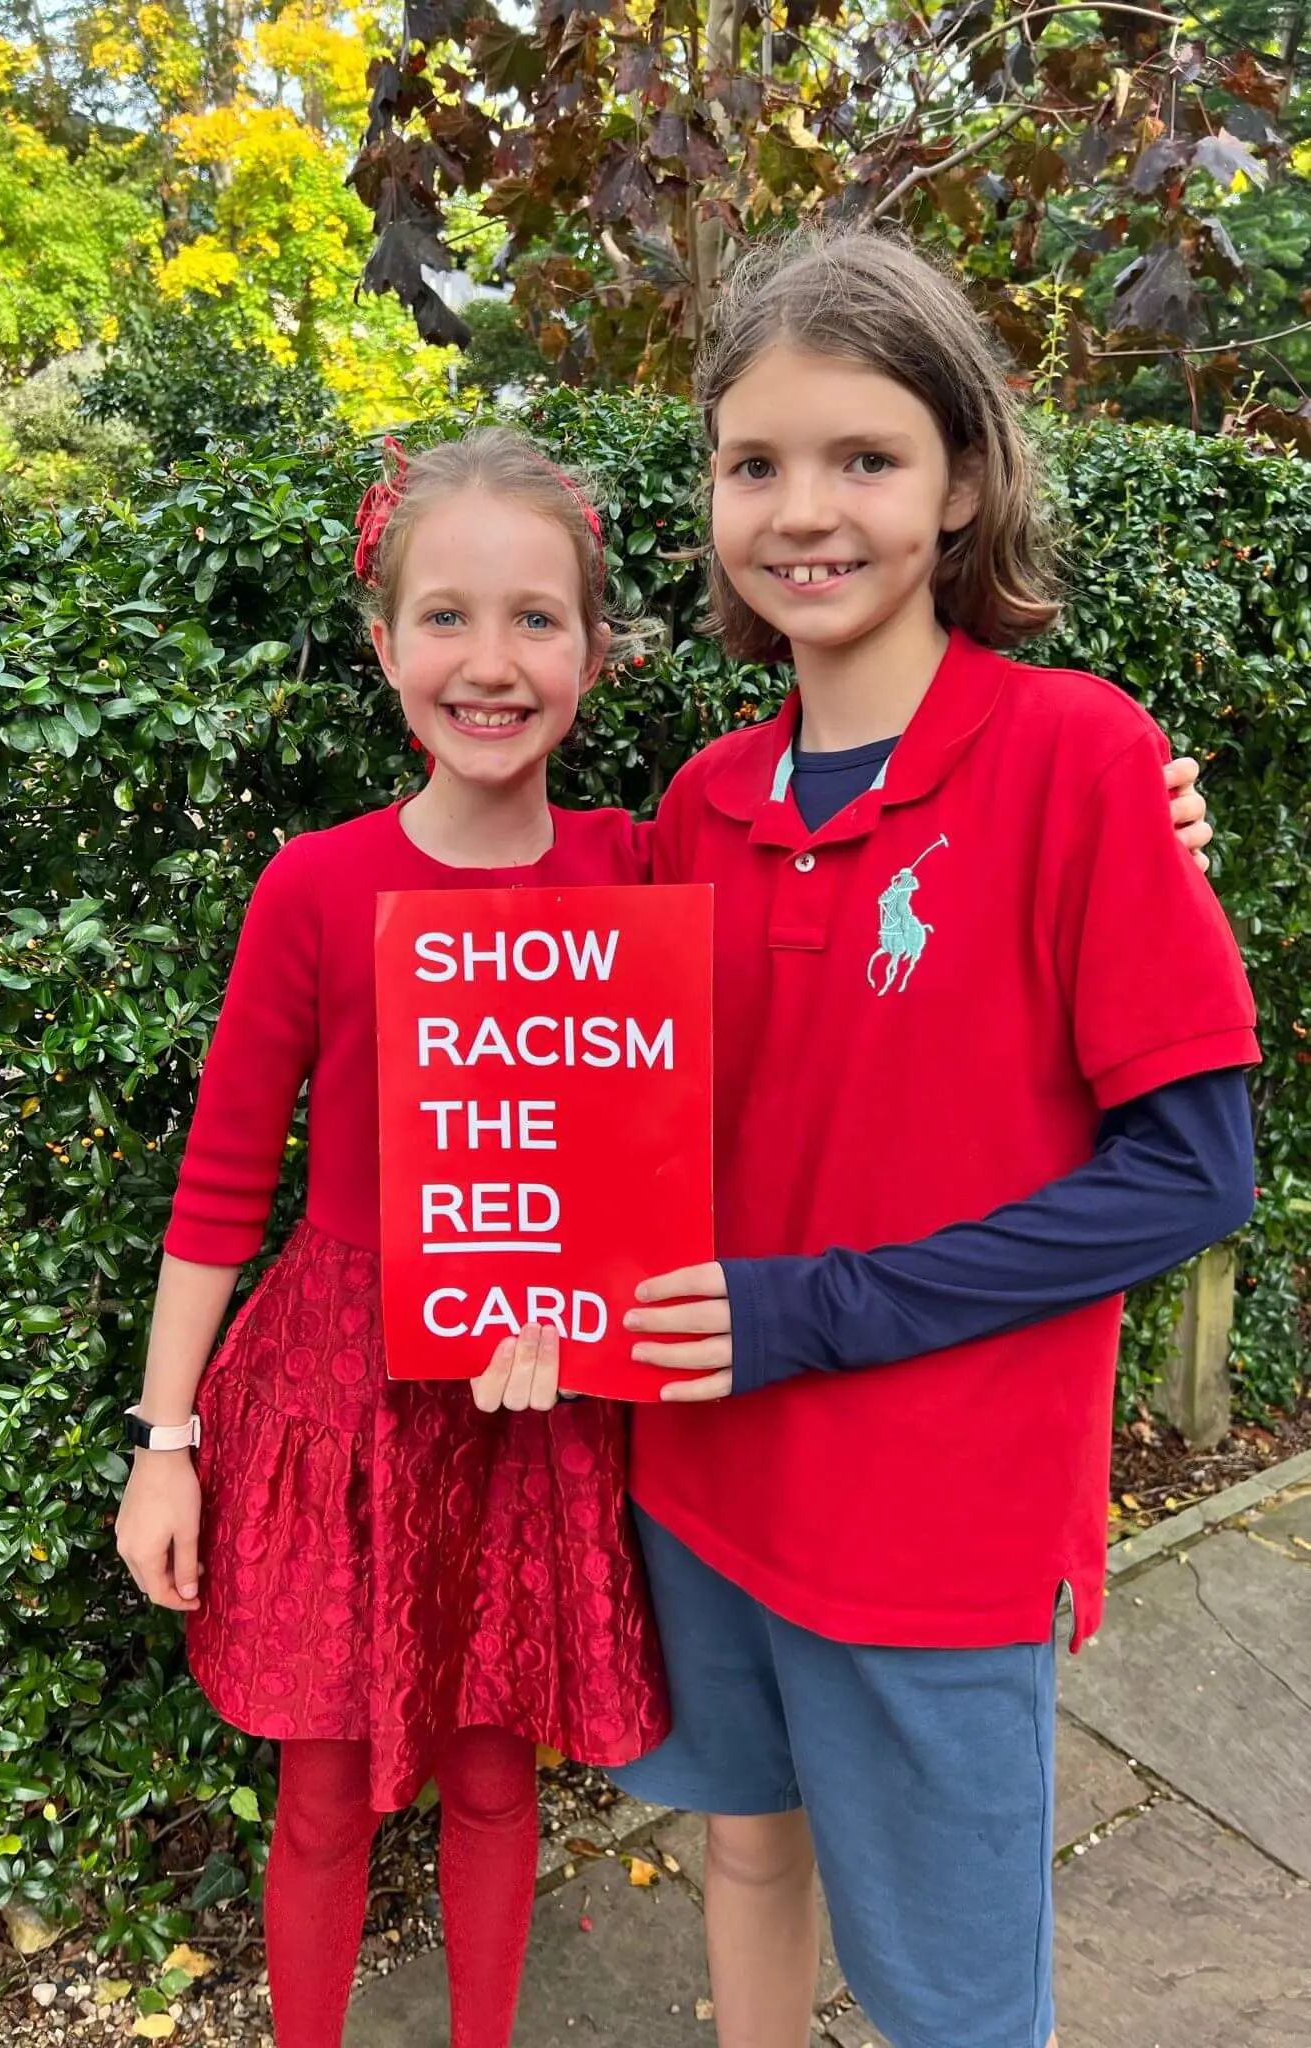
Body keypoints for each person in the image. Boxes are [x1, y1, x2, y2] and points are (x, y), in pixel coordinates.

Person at [493, 230, 1256, 2048]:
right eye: (754, 463)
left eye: (865, 458)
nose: (803, 511)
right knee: (747, 1860)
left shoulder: (1075, 759)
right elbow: (613, 1101)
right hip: (700, 1478)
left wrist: (804, 1310)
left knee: (950, 1994)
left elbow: (1187, 1173)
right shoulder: (703, 799)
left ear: (962, 479)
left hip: (934, 1528)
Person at [113, 428, 671, 2048]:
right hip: (345, 1405)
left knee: (500, 1775)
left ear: (594, 649)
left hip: (536, 1382)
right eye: (444, 617)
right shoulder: (317, 887)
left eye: (535, 620)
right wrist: (166, 1441)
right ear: (383, 647)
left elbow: (835, 934)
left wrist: (1140, 835)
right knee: (328, 1793)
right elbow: (220, 1186)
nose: (488, 663)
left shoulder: (636, 865)